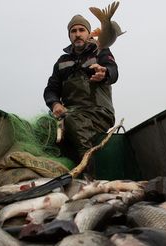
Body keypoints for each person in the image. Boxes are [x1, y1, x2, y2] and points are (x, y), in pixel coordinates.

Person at [43, 14, 119, 166]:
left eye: (82, 30)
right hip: (70, 112)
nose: (77, 34)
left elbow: (113, 71)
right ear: (70, 35)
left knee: (74, 121)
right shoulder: (62, 61)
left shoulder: (101, 50)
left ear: (88, 33)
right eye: (73, 31)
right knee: (44, 125)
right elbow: (51, 89)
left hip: (99, 112)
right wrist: (55, 104)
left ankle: (88, 178)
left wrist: (105, 73)